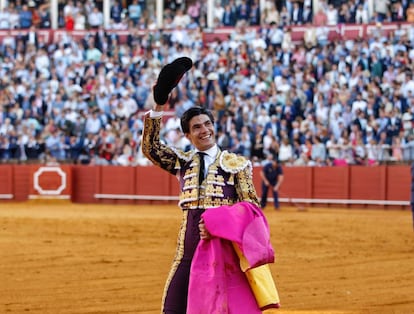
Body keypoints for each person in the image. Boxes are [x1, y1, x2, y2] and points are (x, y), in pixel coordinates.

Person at [142, 57, 279, 313]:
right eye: (196, 127)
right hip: (187, 251)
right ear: (187, 135)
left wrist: (218, 222)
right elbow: (150, 148)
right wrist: (159, 104)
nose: (204, 130)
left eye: (207, 124)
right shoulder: (182, 162)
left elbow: (252, 208)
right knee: (172, 308)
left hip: (222, 252)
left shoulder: (236, 164)